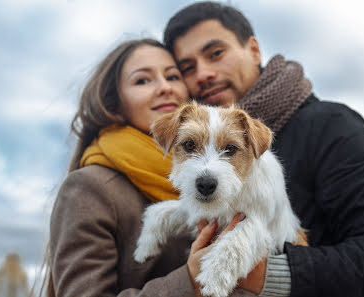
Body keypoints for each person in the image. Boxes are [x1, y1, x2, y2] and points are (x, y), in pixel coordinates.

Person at [162, 2, 364, 296]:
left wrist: (269, 275)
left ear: (254, 50)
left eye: (215, 54)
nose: (203, 74)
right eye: (187, 68)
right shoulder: (190, 152)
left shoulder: (331, 125)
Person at [46, 38, 253, 297]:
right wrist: (189, 281)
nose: (165, 87)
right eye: (142, 80)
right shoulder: (90, 186)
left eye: (173, 76)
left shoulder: (222, 177)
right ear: (115, 104)